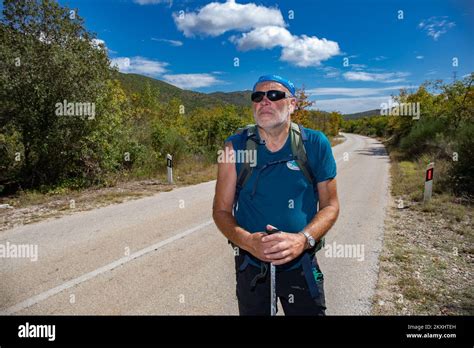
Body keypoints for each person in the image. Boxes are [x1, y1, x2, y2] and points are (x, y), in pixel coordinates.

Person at [212, 74, 340, 315]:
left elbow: (330, 205)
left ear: (292, 104)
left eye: (274, 95)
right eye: (257, 96)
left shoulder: (315, 143)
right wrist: (248, 241)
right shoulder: (234, 147)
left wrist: (302, 239)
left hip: (301, 262)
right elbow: (220, 211)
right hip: (251, 264)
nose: (264, 101)